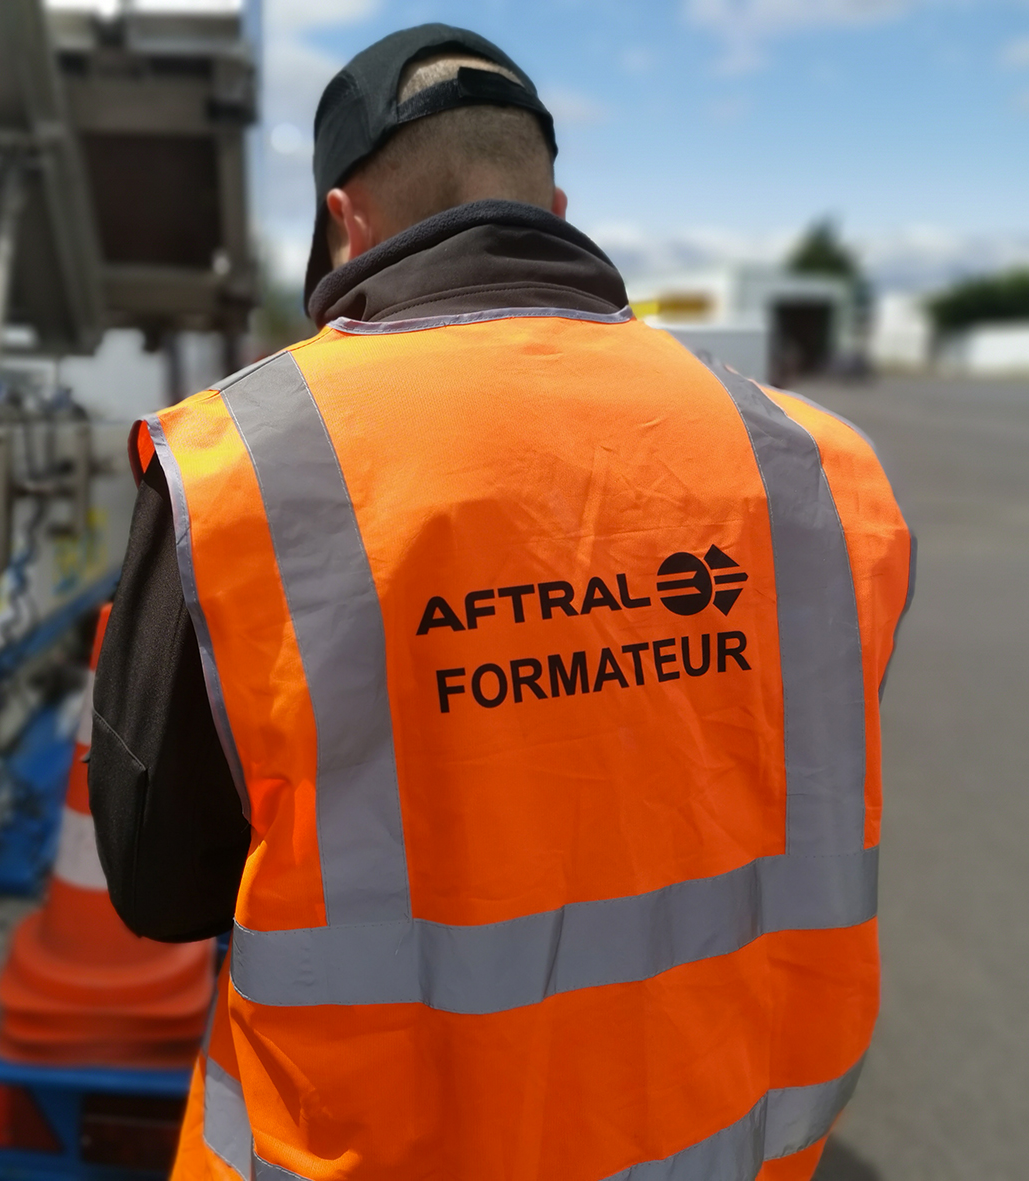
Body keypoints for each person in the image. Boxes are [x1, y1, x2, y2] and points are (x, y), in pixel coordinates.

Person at [89, 23, 914, 1181]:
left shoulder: (243, 464)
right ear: (555, 206)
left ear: (344, 221)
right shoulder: (815, 463)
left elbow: (163, 884)